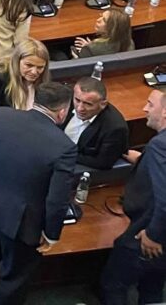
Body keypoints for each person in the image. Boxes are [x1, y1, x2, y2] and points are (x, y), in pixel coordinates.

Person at [0, 81, 77, 305]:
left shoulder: (0, 116)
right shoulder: (65, 147)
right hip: (23, 224)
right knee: (13, 279)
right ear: (62, 112)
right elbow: (57, 199)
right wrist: (51, 233)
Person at [100, 88, 166, 305]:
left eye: (151, 104)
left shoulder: (160, 146)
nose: (145, 109)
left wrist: (154, 235)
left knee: (114, 285)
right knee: (152, 286)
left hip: (147, 234)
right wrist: (141, 158)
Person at [64, 75, 129, 170]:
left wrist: (65, 155)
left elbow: (102, 162)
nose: (80, 108)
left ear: (103, 104)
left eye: (88, 104)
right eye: (77, 100)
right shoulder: (66, 99)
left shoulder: (115, 128)